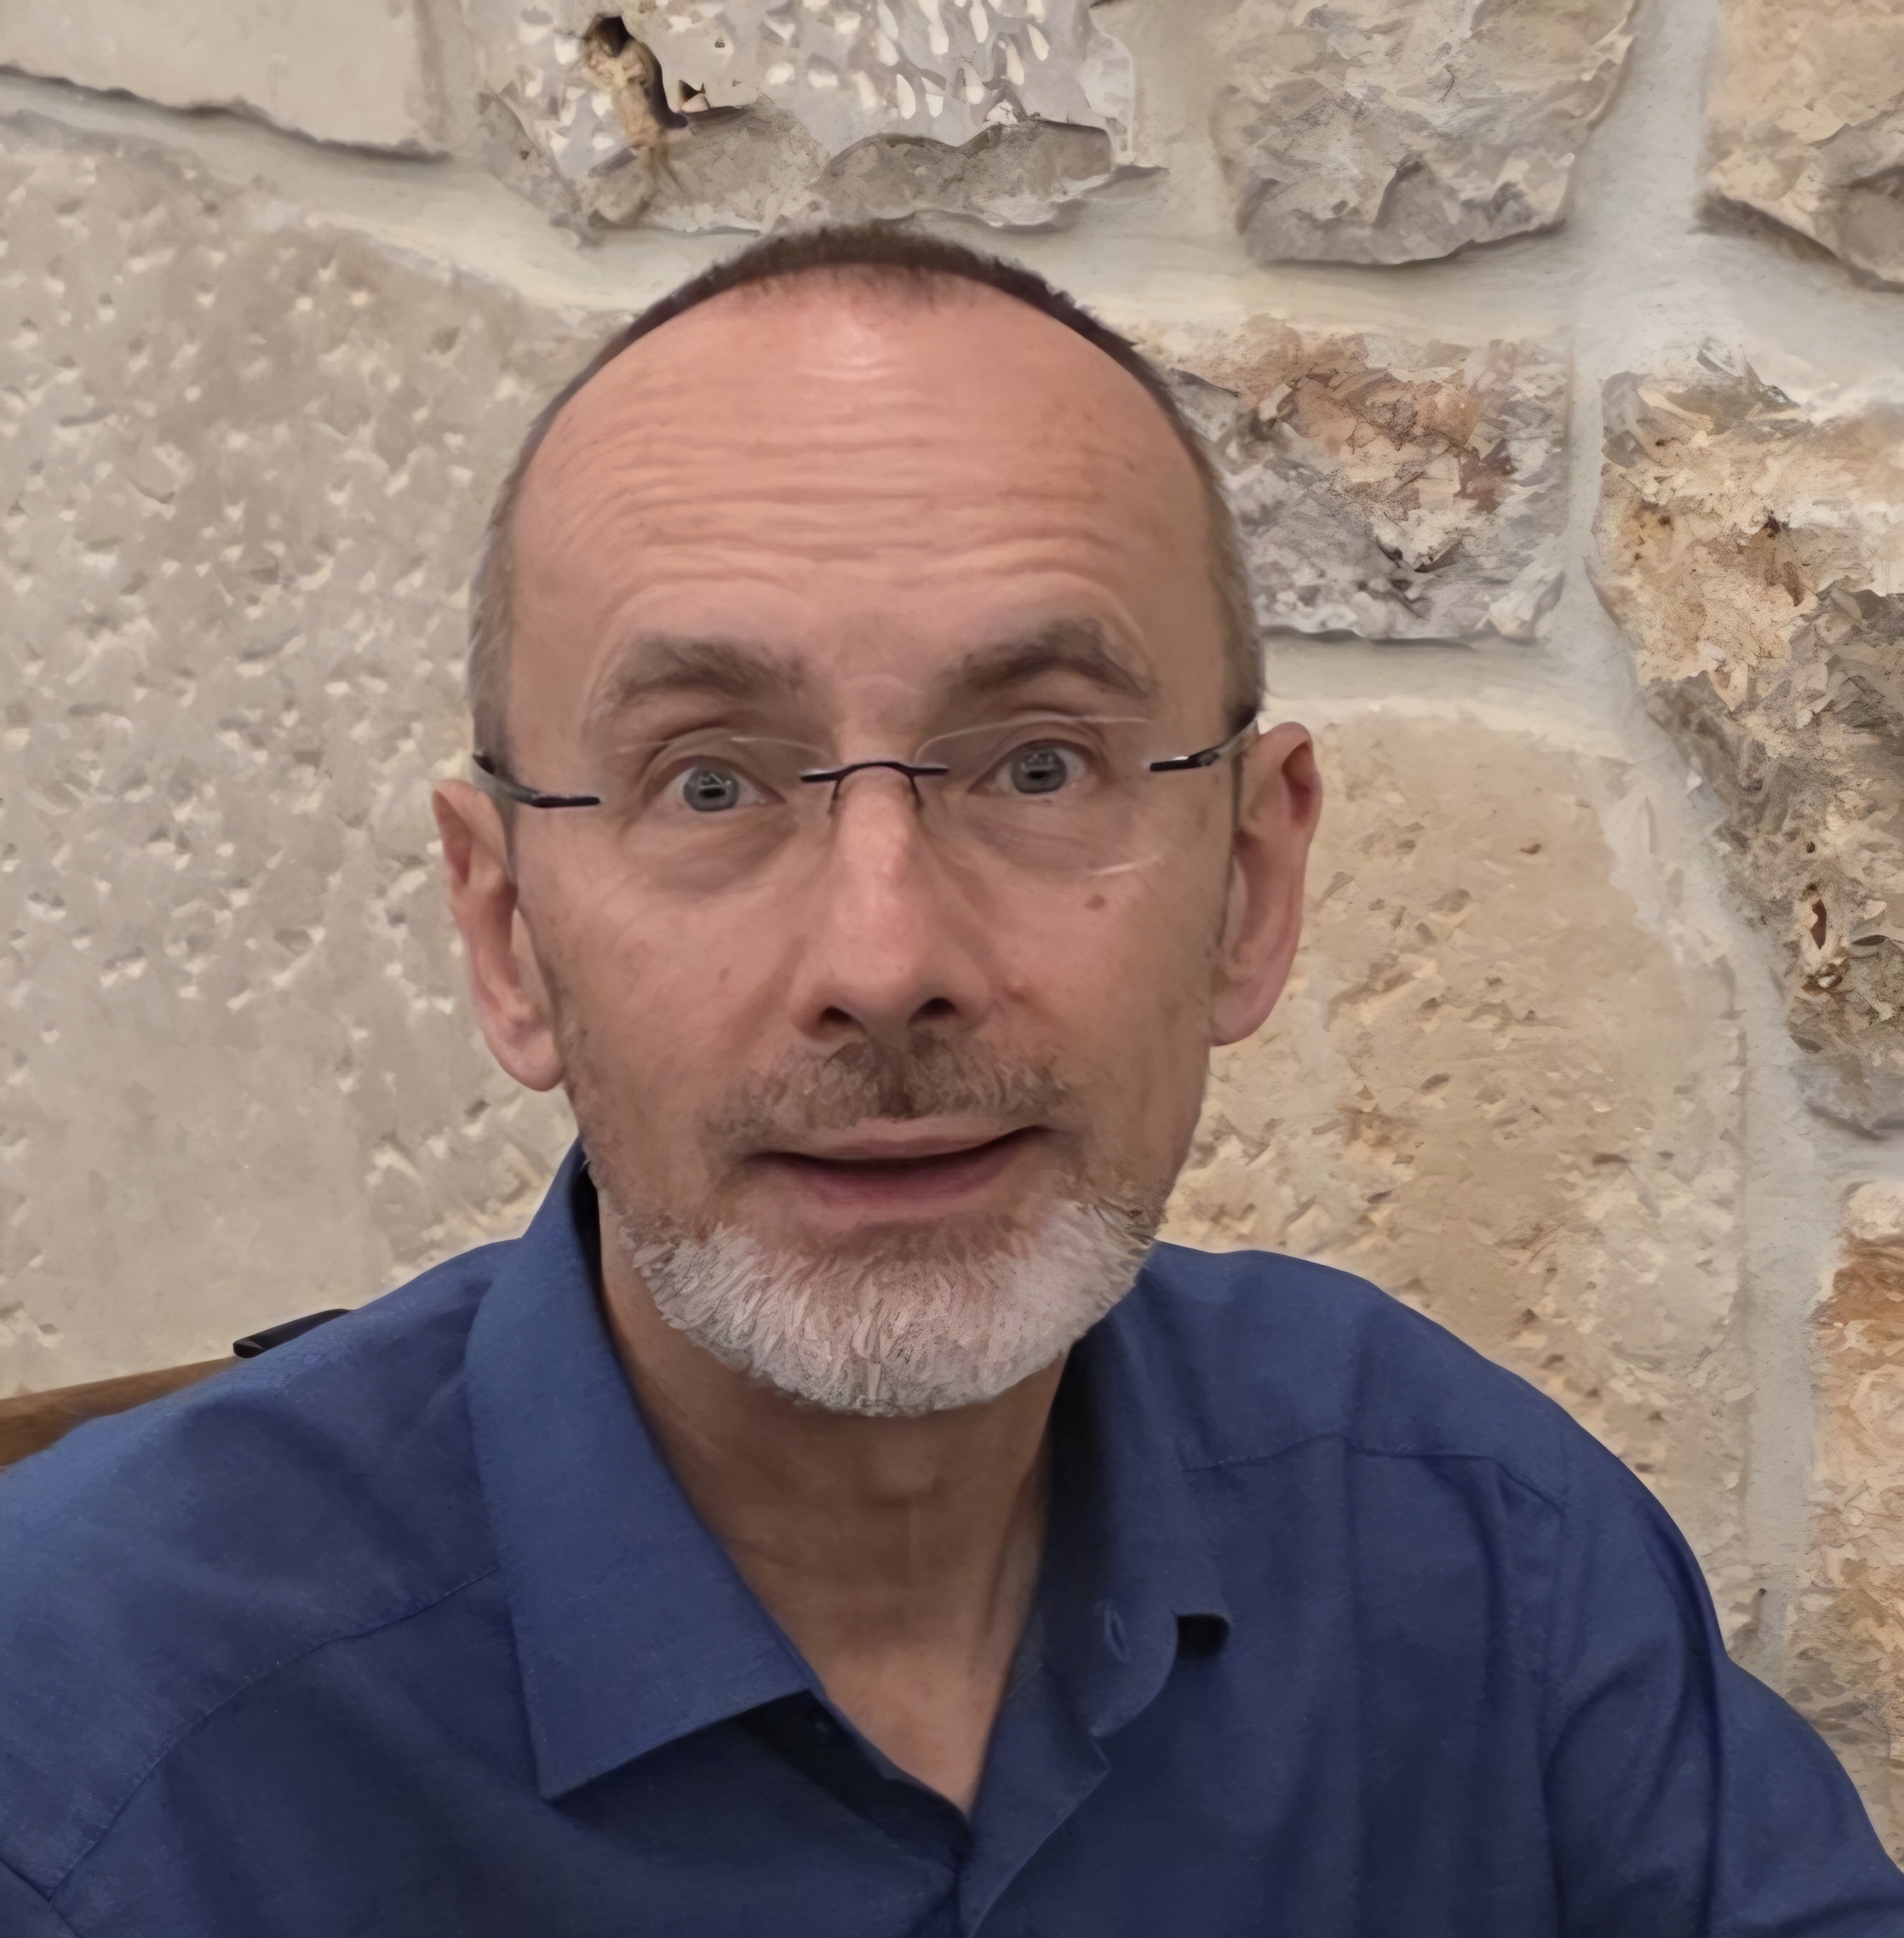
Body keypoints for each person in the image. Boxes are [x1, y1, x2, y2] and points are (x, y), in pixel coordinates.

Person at [1, 226, 1898, 1938]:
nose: (884, 958)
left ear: (1250, 885)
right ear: (508, 934)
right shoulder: (80, 1747)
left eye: (1039, 765)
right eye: (711, 783)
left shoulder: (1484, 1556)